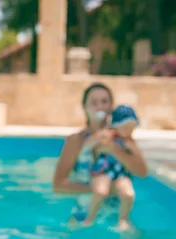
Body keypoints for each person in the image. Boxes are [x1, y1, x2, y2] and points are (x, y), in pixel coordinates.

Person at [52, 83, 148, 227]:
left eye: (104, 101)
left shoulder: (122, 138)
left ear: (111, 107)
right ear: (85, 107)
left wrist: (113, 148)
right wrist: (101, 190)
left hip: (115, 217)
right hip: (83, 214)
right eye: (94, 102)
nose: (99, 106)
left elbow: (142, 172)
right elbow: (58, 186)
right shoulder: (76, 141)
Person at [82, 105, 140, 230]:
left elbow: (136, 161)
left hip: (120, 174)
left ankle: (123, 220)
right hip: (103, 171)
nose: (128, 131)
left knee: (128, 194)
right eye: (125, 127)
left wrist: (132, 149)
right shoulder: (106, 136)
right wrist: (98, 139)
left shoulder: (129, 141)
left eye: (131, 128)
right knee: (101, 191)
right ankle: (90, 217)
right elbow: (86, 147)